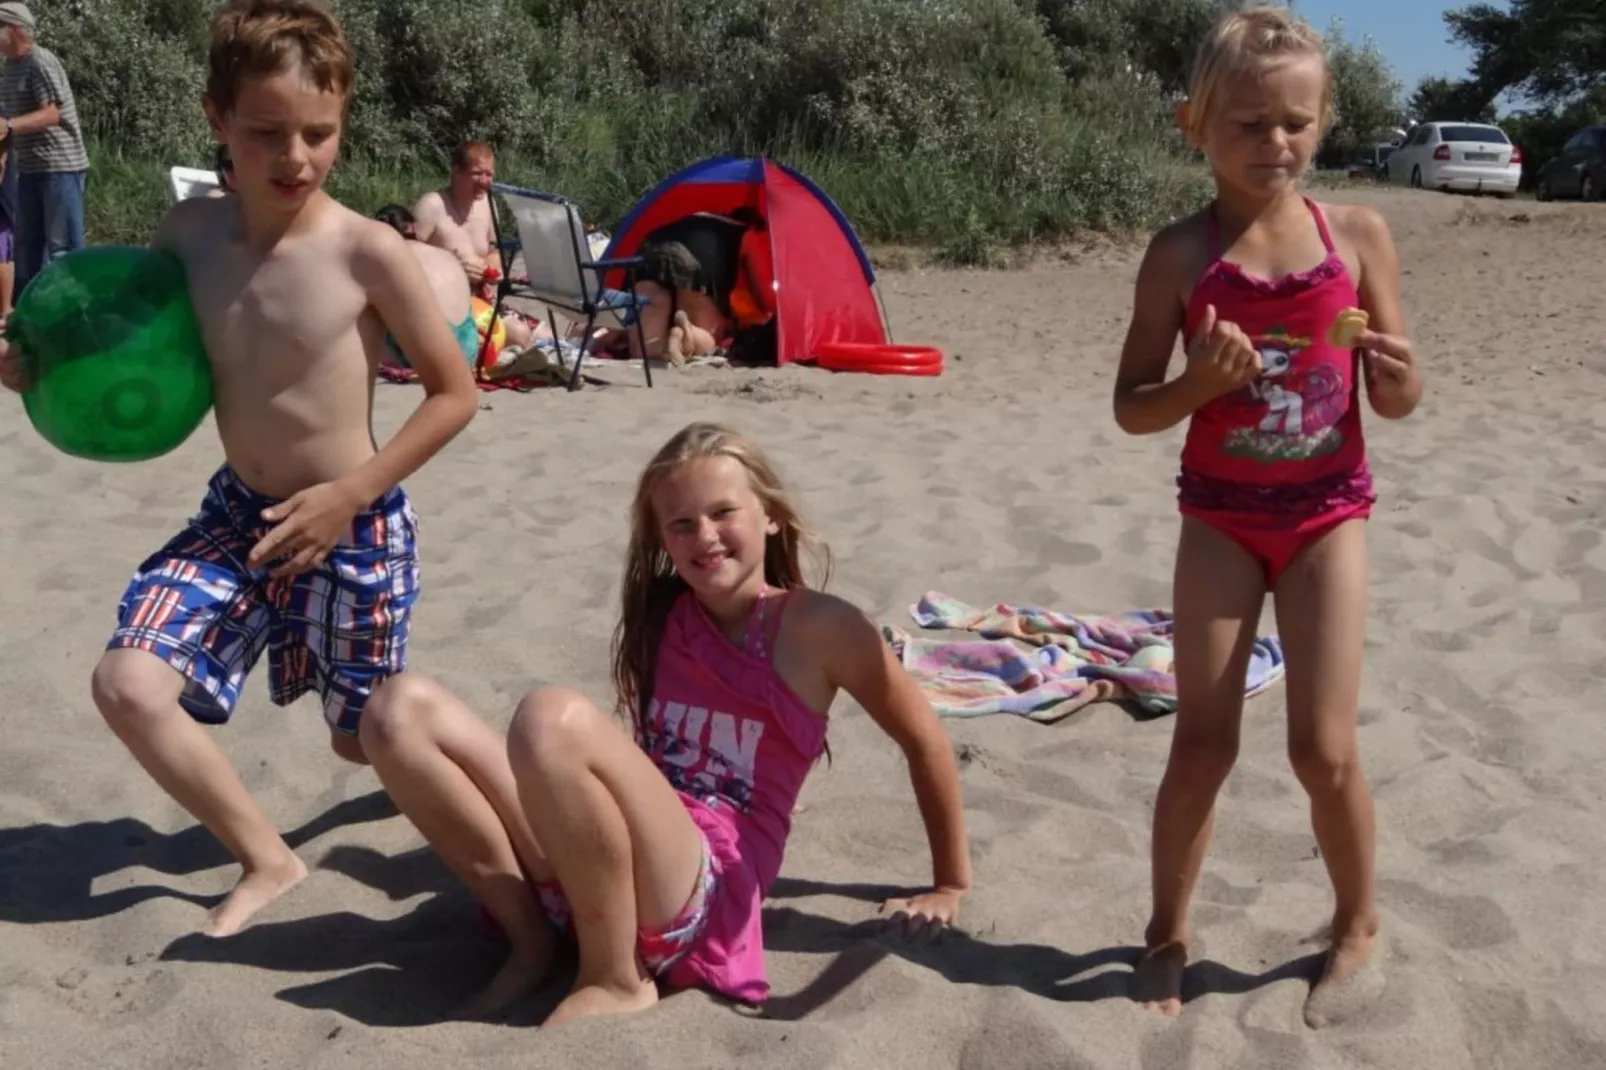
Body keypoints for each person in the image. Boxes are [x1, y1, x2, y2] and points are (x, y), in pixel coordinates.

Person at [0, 0, 480, 938]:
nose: (294, 156)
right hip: (238, 518)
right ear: (217, 118)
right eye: (267, 133)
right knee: (127, 683)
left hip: (353, 523)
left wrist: (352, 492)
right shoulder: (187, 236)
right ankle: (269, 857)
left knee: (359, 741)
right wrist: (33, 368)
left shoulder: (368, 252)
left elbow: (455, 393)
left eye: (319, 133)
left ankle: (491, 760)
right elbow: (128, 358)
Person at [357, 422, 973, 1023]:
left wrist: (949, 883)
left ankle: (616, 978)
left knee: (550, 718)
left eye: (723, 512)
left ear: (771, 516)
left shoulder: (821, 628)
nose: (704, 536)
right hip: (621, 862)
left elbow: (923, 739)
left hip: (710, 872)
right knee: (395, 711)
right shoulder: (663, 614)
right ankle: (532, 943)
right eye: (681, 524)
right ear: (662, 539)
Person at [1111, 5, 1422, 1027]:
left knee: (1321, 749)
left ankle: (1358, 921)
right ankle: (1165, 931)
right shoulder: (1179, 253)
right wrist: (1198, 382)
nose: (1274, 143)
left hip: (1328, 515)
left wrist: (1400, 374)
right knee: (1201, 742)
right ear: (1192, 124)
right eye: (1247, 124)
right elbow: (1130, 407)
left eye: (1294, 121)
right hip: (1219, 519)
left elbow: (1395, 399)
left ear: (1323, 119)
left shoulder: (1358, 235)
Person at [0, 2, 90, 296]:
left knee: (62, 248)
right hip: (29, 168)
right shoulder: (11, 67)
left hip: (59, 167)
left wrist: (10, 126)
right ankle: (31, 314)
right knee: (27, 247)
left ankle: (73, 313)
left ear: (13, 30)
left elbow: (53, 114)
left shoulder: (40, 61)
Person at [372, 203, 482, 368]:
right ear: (414, 226)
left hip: (427, 360)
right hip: (468, 352)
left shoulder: (388, 261)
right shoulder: (444, 254)